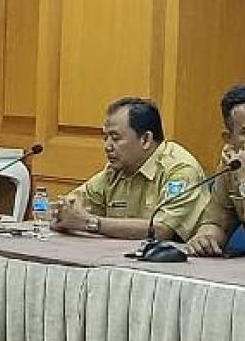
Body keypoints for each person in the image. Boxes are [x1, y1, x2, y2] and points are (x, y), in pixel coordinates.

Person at [52, 97, 208, 240]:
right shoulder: (116, 171)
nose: (107, 147)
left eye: (115, 138)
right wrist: (65, 212)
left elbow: (162, 230)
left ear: (146, 139)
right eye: (105, 138)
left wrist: (91, 223)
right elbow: (73, 203)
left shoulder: (181, 170)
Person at [186, 85, 245, 257]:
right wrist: (205, 237)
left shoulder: (240, 172)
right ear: (229, 139)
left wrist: (243, 181)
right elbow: (218, 222)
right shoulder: (232, 167)